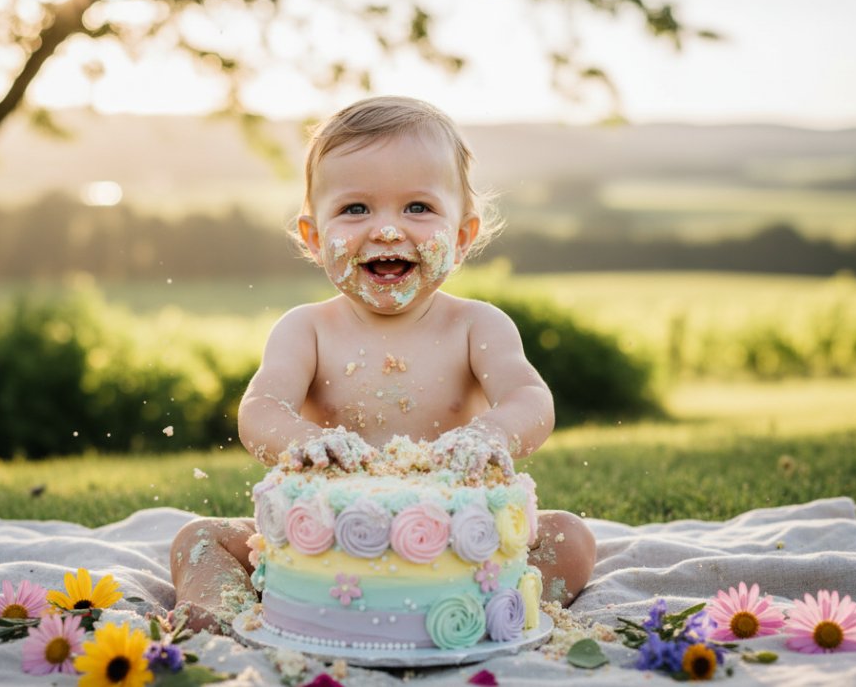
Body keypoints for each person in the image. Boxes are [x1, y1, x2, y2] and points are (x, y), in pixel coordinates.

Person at [168, 96, 597, 634]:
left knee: (571, 537)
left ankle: (500, 606)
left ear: (461, 236)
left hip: (457, 539)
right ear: (315, 238)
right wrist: (302, 441)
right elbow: (260, 408)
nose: (388, 231)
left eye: (417, 207)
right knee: (198, 538)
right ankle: (222, 612)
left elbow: (529, 398)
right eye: (355, 209)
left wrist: (491, 433)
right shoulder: (307, 330)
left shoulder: (477, 326)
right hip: (325, 537)